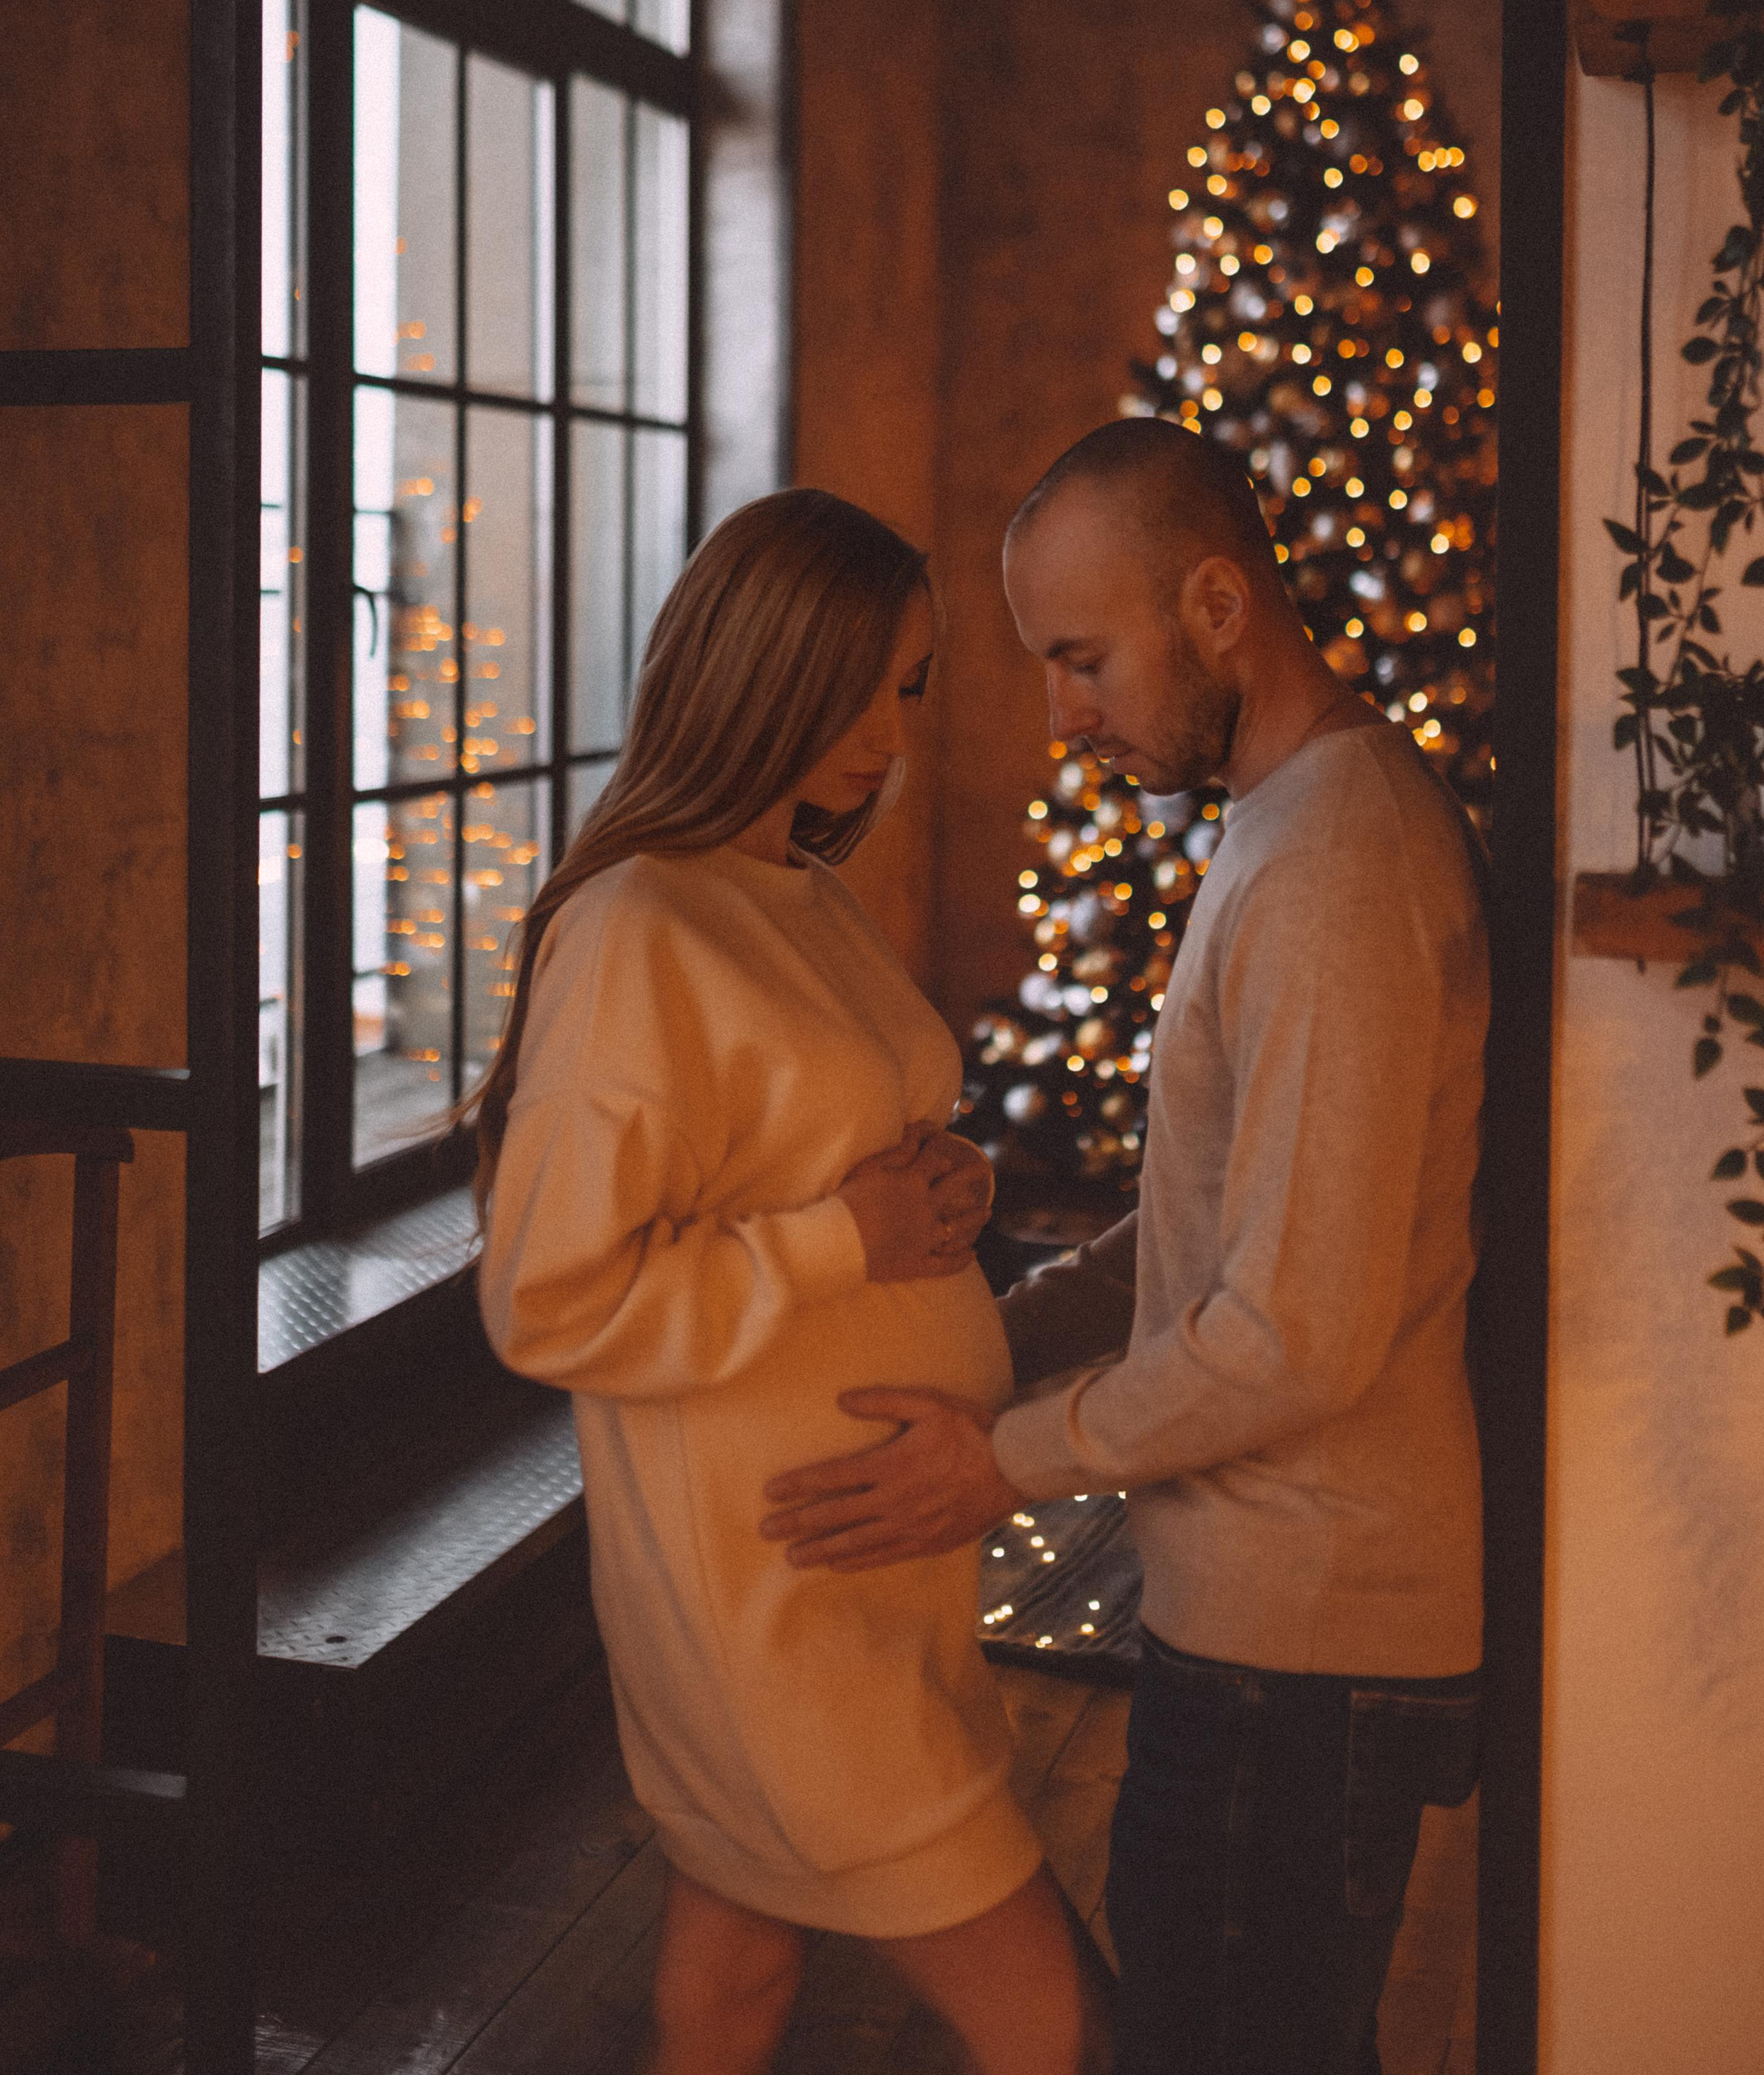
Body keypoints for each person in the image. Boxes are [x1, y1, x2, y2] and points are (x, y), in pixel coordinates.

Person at [761, 418, 1489, 2075]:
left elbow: (1294, 1334)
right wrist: (970, 1341)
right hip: (1262, 1626)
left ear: (1217, 606)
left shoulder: (1332, 864)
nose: (1061, 716)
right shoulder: (1282, 828)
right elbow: (1194, 1244)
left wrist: (996, 1465)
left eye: (1081, 659)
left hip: (1302, 1647)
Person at [472, 488, 1109, 2075]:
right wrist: (848, 1240)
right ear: (751, 673)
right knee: (1059, 2025)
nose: (890, 733)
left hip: (875, 1571)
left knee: (734, 1976)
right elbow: (546, 1298)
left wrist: (937, 1184)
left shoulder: (795, 888)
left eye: (906, 683)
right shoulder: (639, 926)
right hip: (773, 1592)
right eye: (857, 688)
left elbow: (820, 1153)